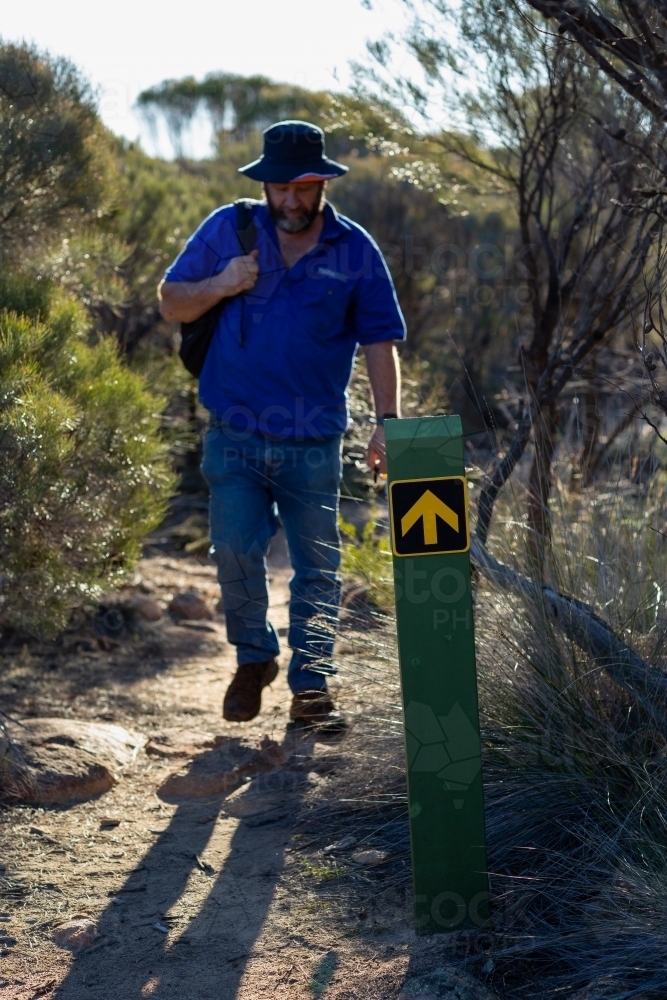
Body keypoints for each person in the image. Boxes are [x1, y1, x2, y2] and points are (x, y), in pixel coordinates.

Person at [159, 120, 405, 729]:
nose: (291, 200)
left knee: (318, 564)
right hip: (234, 432)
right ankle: (254, 659)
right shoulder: (229, 229)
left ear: (322, 183)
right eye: (280, 188)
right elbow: (171, 301)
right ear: (265, 185)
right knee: (237, 552)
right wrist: (222, 282)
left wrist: (387, 424)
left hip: (313, 438)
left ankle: (312, 684)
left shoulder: (354, 250)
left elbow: (380, 339)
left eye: (303, 187)